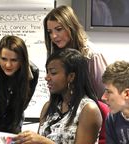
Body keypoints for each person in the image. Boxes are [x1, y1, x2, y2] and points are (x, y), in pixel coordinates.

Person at [43, 5, 109, 144]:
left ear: (71, 27)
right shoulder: (56, 55)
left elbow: (105, 97)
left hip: (88, 119)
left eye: (59, 29)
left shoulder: (92, 56)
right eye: (50, 32)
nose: (54, 36)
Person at [13, 49, 102, 144]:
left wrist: (44, 142)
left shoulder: (88, 109)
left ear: (71, 77)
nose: (47, 78)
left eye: (53, 73)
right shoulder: (48, 107)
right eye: (47, 72)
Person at [0, 35, 39, 134]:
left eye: (14, 60)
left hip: (13, 123)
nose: (8, 65)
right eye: (3, 59)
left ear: (22, 60)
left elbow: (22, 105)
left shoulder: (32, 72)